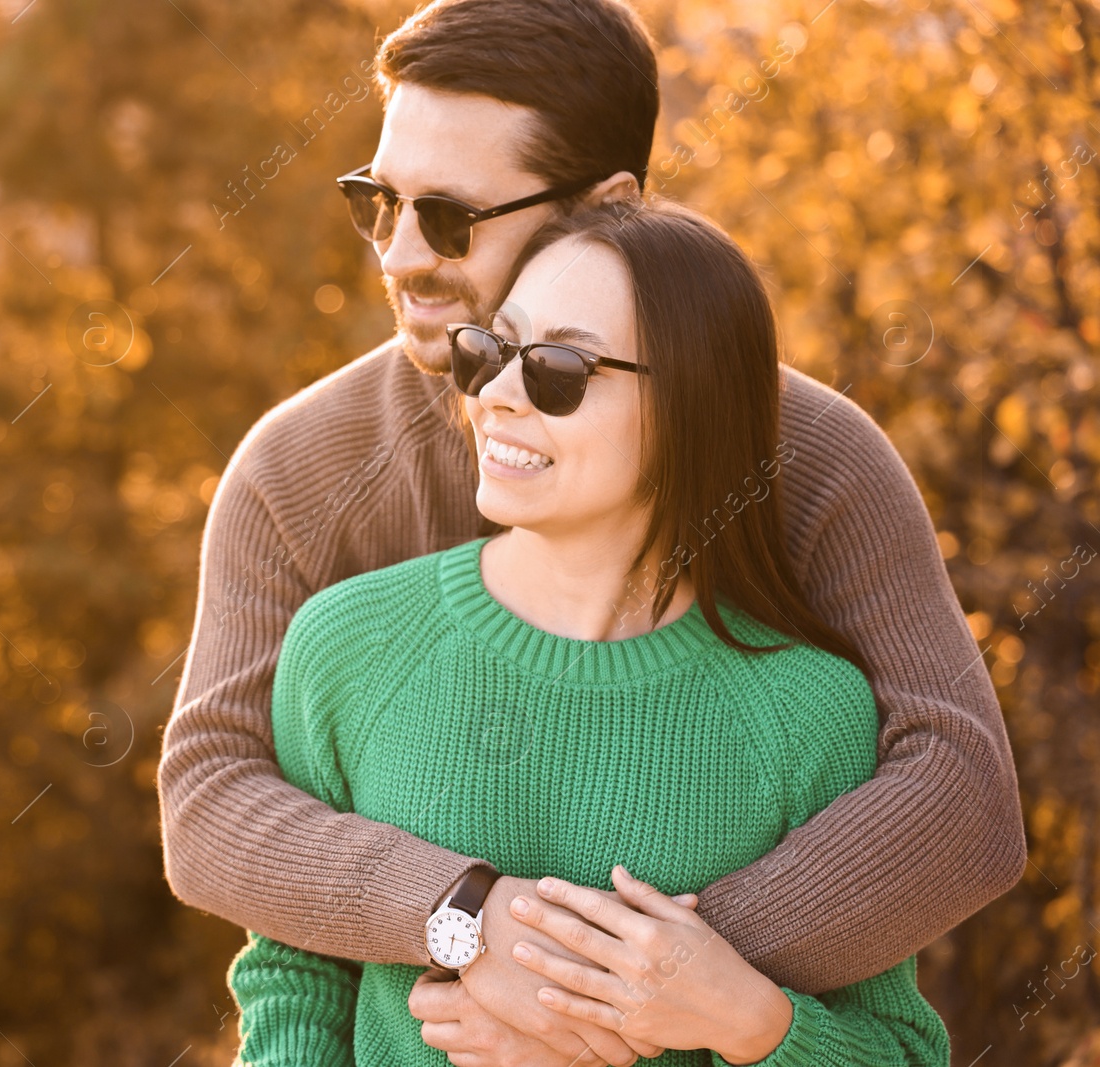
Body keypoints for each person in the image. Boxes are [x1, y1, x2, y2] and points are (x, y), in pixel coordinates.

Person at [158, 0, 1024, 1062]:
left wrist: (620, 994)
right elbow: (212, 799)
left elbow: (958, 795)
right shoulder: (296, 470)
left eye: (450, 216)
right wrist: (467, 918)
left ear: (605, 204)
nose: (398, 255)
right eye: (377, 204)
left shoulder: (814, 457)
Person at [227, 196, 952, 1065]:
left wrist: (748, 1023)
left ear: (688, 405)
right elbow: (295, 974)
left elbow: (901, 1048)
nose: (494, 393)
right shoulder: (346, 646)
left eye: (557, 367)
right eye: (492, 347)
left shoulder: (809, 713)